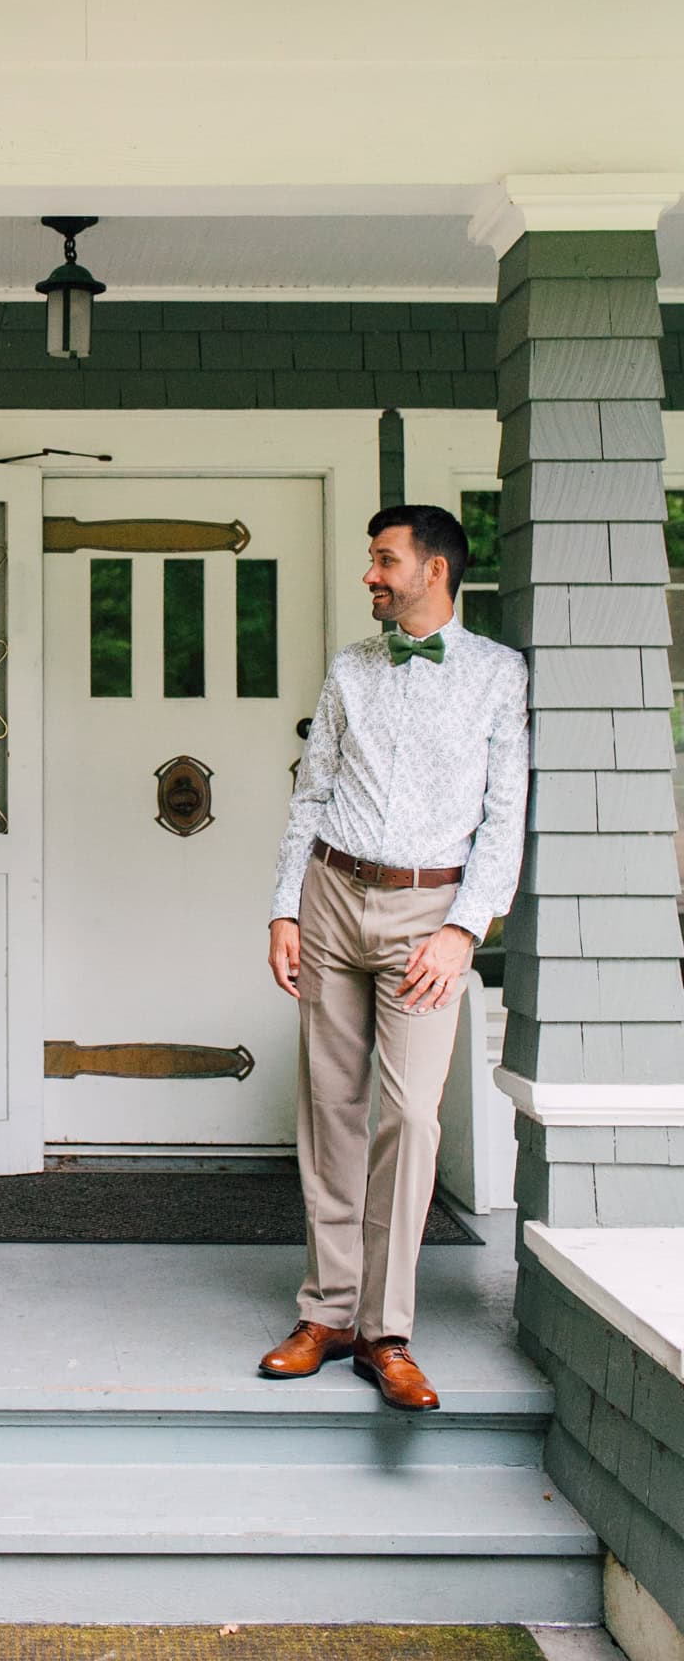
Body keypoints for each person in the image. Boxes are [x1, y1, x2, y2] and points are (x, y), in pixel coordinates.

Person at [261, 504, 528, 1411]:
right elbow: (313, 791)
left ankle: (387, 1330)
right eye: (372, 561)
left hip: (432, 914)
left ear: (435, 572)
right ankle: (327, 1311)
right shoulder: (350, 669)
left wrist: (464, 929)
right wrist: (285, 908)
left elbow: (505, 816)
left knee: (409, 1118)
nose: (370, 576)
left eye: (385, 562)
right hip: (333, 895)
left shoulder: (498, 676)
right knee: (329, 1110)